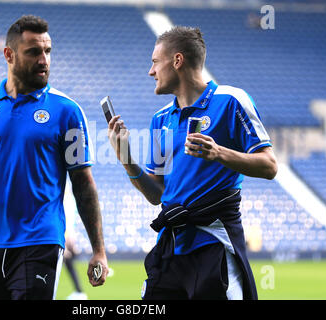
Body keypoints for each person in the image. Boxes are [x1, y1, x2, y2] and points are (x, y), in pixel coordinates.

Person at [108, 26, 277, 300]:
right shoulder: (160, 119)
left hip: (214, 244)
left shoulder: (231, 101)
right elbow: (156, 195)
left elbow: (269, 166)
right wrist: (126, 158)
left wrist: (219, 152)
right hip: (171, 249)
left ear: (177, 61)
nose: (151, 72)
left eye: (154, 62)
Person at [0, 15, 108, 300]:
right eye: (33, 52)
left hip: (39, 242)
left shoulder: (67, 111)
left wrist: (98, 251)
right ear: (9, 54)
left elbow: (83, 184)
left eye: (47, 51)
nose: (43, 60)